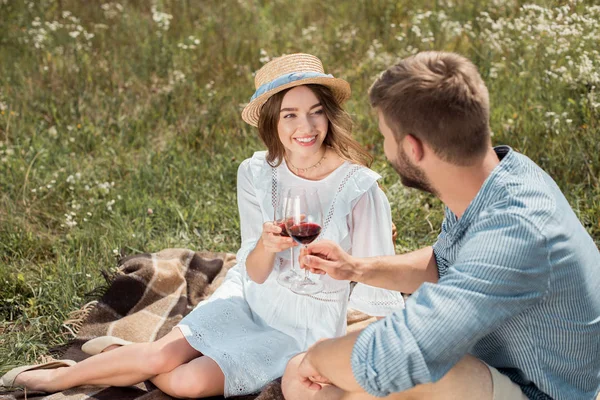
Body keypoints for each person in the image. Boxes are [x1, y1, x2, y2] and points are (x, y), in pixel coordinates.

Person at [0, 53, 405, 398]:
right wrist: (266, 247)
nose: (307, 127)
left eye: (316, 112)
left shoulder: (359, 190)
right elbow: (254, 273)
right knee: (158, 356)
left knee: (187, 383)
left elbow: (377, 287)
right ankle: (58, 377)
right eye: (291, 114)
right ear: (272, 121)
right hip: (249, 298)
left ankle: (120, 357)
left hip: (302, 329)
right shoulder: (257, 173)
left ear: (329, 116)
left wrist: (343, 268)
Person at [281, 51, 600, 400]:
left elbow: (400, 351)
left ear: (413, 148)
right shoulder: (490, 175)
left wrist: (316, 358)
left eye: (386, 137)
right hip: (503, 365)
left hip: (544, 391)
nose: (384, 148)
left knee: (323, 388)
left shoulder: (515, 232)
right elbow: (444, 264)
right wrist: (356, 267)